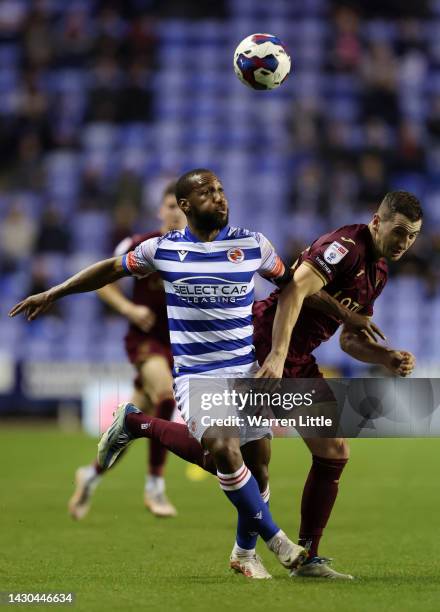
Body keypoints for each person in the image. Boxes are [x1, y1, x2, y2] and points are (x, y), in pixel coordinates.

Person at [11, 168, 326, 580]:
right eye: (207, 192)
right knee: (225, 448)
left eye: (221, 190)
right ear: (185, 205)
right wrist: (55, 291)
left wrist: (292, 346)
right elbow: (108, 269)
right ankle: (277, 541)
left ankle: (243, 553)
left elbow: (292, 288)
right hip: (197, 374)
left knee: (258, 467)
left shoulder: (254, 244)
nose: (219, 197)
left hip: (246, 372)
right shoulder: (160, 250)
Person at [255, 190, 422, 578]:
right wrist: (277, 354)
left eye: (412, 236)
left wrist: (386, 357)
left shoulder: (378, 271)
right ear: (377, 222)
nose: (405, 243)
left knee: (333, 451)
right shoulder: (344, 247)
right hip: (267, 341)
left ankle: (307, 557)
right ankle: (140, 424)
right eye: (399, 232)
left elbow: (349, 337)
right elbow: (295, 289)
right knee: (228, 457)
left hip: (297, 358)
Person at [68, 181, 186, 520]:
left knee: (131, 426)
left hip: (179, 344)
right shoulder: (140, 245)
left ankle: (90, 475)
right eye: (170, 206)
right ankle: (155, 485)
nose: (176, 212)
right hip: (145, 340)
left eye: (182, 206)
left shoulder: (197, 250)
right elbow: (102, 280)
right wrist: (129, 309)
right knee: (166, 395)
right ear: (160, 210)